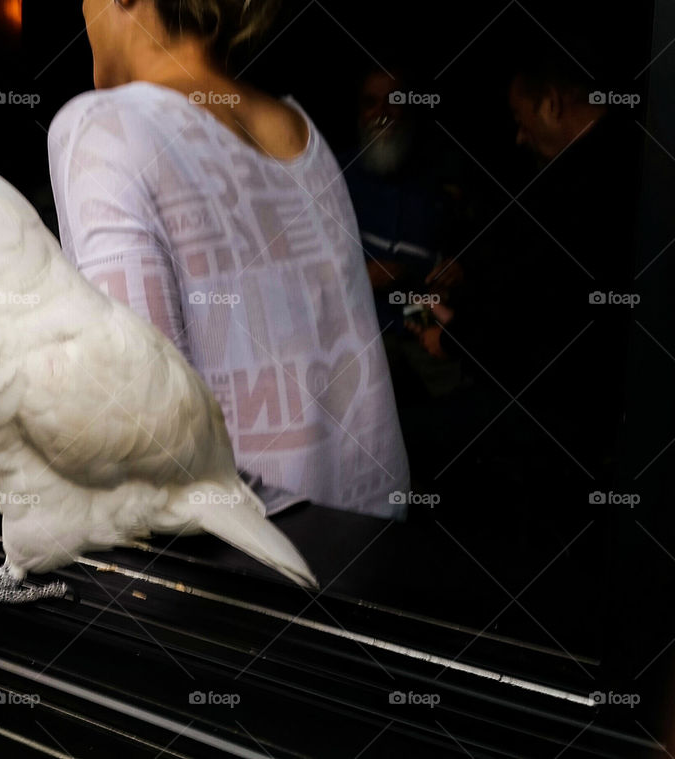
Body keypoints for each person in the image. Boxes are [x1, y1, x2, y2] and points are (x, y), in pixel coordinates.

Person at [48, 0, 410, 519]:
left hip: (241, 566)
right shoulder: (297, 127)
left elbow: (139, 424)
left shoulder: (102, 126)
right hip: (374, 540)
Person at [406, 44, 639, 491]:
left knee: (406, 442)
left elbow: (535, 323)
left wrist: (450, 335)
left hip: (559, 415)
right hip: (572, 403)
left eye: (519, 118)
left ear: (551, 103)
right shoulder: (633, 160)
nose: (518, 136)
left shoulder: (576, 190)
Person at [341, 66, 464, 402]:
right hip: (358, 326)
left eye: (394, 101)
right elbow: (297, 265)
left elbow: (466, 249)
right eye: (371, 103)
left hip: (423, 318)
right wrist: (357, 276)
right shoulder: (335, 176)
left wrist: (457, 269)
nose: (382, 113)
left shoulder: (440, 178)